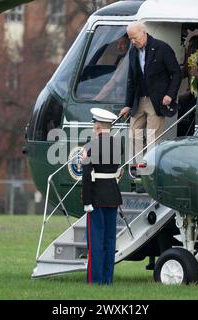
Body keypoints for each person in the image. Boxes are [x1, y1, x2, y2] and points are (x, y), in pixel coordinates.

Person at [119, 21, 181, 159]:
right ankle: (140, 164)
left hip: (157, 100)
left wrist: (170, 95)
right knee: (134, 134)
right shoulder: (133, 52)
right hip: (139, 99)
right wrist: (128, 105)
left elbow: (176, 73)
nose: (133, 41)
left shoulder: (162, 48)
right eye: (130, 39)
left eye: (135, 37)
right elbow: (131, 79)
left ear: (144, 32)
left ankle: (150, 167)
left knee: (153, 136)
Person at [82, 108, 123, 285]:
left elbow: (86, 176)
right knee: (109, 240)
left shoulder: (90, 146)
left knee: (96, 241)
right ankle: (107, 279)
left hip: (96, 197)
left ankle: (95, 280)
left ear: (98, 125)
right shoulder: (118, 144)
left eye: (94, 123)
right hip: (112, 195)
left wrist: (86, 201)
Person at [178, 31, 198, 137]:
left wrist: (194, 72)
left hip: (197, 93)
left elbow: (193, 72)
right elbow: (185, 72)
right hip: (192, 92)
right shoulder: (191, 60)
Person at [93, 34, 130, 101]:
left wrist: (95, 100)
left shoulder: (127, 60)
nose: (119, 47)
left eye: (123, 43)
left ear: (129, 45)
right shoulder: (123, 59)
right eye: (118, 43)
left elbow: (111, 84)